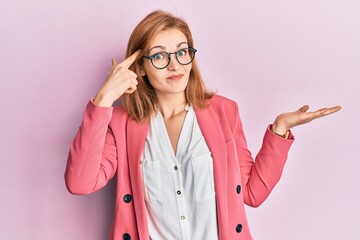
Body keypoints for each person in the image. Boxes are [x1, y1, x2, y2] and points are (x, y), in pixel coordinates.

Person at [65, 10, 341, 240]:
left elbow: (252, 193)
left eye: (182, 52)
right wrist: (103, 101)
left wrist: (279, 129)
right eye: (159, 55)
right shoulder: (121, 124)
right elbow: (80, 183)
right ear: (140, 67)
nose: (175, 65)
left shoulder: (224, 112)